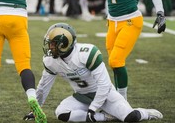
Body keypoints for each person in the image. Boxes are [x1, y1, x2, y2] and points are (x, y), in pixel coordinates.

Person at [23, 23, 163, 122]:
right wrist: (35, 110)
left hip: (106, 94)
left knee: (130, 118)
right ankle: (106, 117)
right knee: (62, 114)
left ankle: (145, 113)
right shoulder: (51, 60)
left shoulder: (86, 53)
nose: (50, 47)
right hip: (82, 96)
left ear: (63, 44)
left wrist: (93, 108)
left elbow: (104, 84)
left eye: (53, 43)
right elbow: (43, 86)